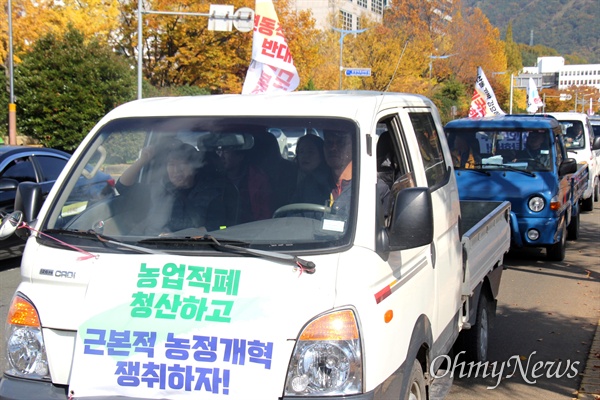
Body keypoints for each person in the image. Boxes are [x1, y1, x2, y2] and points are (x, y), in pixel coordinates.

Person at [117, 141, 236, 234]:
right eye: (171, 164)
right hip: (152, 249)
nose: (176, 171)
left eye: (183, 164)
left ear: (195, 167)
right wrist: (142, 161)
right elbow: (122, 186)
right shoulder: (157, 189)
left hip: (199, 250)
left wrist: (177, 237)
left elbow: (219, 227)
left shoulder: (212, 193)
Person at [217, 145, 273, 223]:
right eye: (219, 151)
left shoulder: (257, 179)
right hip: (221, 231)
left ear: (240, 156)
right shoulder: (212, 179)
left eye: (226, 152)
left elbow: (265, 215)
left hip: (251, 231)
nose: (221, 156)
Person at [291, 134, 331, 204]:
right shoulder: (289, 176)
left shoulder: (326, 181)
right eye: (301, 152)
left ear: (321, 155)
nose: (305, 156)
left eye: (310, 152)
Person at [323, 129, 353, 216]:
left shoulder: (371, 187)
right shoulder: (310, 185)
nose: (333, 148)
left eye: (340, 143)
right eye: (329, 143)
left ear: (355, 146)